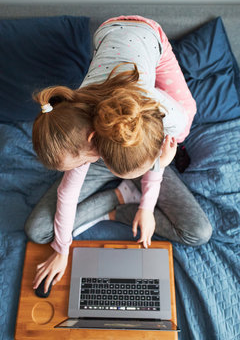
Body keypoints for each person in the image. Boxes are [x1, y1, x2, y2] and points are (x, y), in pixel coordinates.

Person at [25, 15, 212, 293]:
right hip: (109, 53)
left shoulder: (156, 109)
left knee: (198, 232)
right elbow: (67, 193)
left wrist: (151, 193)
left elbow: (180, 123)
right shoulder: (75, 132)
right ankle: (121, 195)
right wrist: (62, 250)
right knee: (38, 231)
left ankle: (128, 193)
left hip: (146, 38)